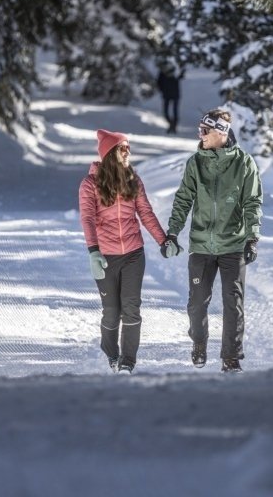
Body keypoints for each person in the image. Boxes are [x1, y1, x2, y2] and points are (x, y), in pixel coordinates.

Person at [161, 108, 263, 373]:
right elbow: (183, 200)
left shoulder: (244, 163)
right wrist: (172, 233)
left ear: (221, 132)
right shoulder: (195, 163)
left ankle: (231, 357)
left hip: (233, 244)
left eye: (205, 131)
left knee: (233, 303)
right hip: (202, 245)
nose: (200, 135)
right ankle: (199, 343)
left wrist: (252, 237)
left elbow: (252, 202)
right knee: (197, 303)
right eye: (200, 130)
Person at [79, 129, 169, 374]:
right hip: (105, 256)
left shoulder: (133, 180)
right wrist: (93, 251)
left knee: (131, 308)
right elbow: (87, 219)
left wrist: (163, 241)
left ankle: (128, 360)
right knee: (112, 312)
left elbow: (146, 213)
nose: (128, 151)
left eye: (129, 147)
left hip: (133, 254)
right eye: (122, 147)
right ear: (110, 153)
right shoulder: (90, 184)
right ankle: (111, 352)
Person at [156, 63, 183, 134]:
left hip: (174, 94)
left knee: (174, 111)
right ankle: (172, 125)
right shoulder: (163, 72)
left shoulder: (175, 70)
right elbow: (159, 82)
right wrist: (162, 90)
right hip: (168, 94)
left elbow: (181, 76)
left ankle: (173, 126)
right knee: (167, 112)